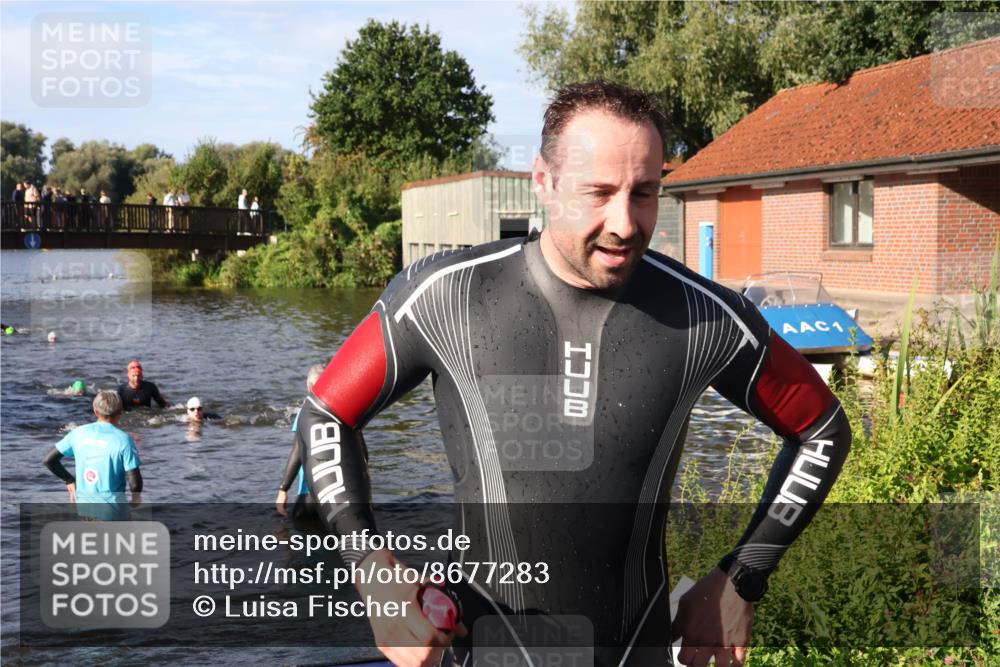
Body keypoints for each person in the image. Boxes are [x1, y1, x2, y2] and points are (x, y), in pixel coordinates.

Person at [295, 82, 851, 667]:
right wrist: (373, 570)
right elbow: (327, 413)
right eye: (599, 193)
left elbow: (823, 429)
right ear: (544, 181)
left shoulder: (703, 316)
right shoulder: (448, 297)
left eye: (645, 193)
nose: (625, 223)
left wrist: (743, 577)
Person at [42, 390, 143, 515]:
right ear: (121, 412)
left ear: (95, 411)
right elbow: (134, 479)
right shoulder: (124, 440)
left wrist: (69, 480)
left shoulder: (77, 433)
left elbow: (49, 460)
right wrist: (136, 497)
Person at [275, 364, 325, 518]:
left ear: (308, 388)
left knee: (287, 530)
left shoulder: (305, 415)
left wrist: (283, 490)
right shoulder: (342, 413)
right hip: (340, 494)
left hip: (310, 493)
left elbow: (297, 452)